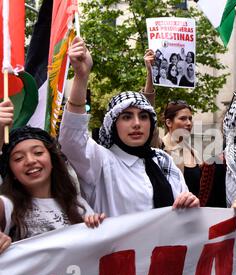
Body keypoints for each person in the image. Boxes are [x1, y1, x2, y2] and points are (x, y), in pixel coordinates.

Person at [59, 36, 199, 217]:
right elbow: (71, 140)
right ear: (113, 124)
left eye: (143, 116)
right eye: (126, 117)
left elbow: (184, 206)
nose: (137, 124)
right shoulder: (101, 161)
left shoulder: (163, 160)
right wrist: (81, 76)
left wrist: (189, 203)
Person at [0, 126, 105, 253]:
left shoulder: (77, 203)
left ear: (52, 160)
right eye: (18, 158)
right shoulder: (7, 205)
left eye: (38, 152)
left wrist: (95, 226)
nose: (30, 161)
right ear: (11, 172)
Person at [162, 100, 202, 196]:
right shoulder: (160, 148)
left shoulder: (194, 152)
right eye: (183, 118)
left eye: (190, 118)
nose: (189, 123)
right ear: (169, 122)